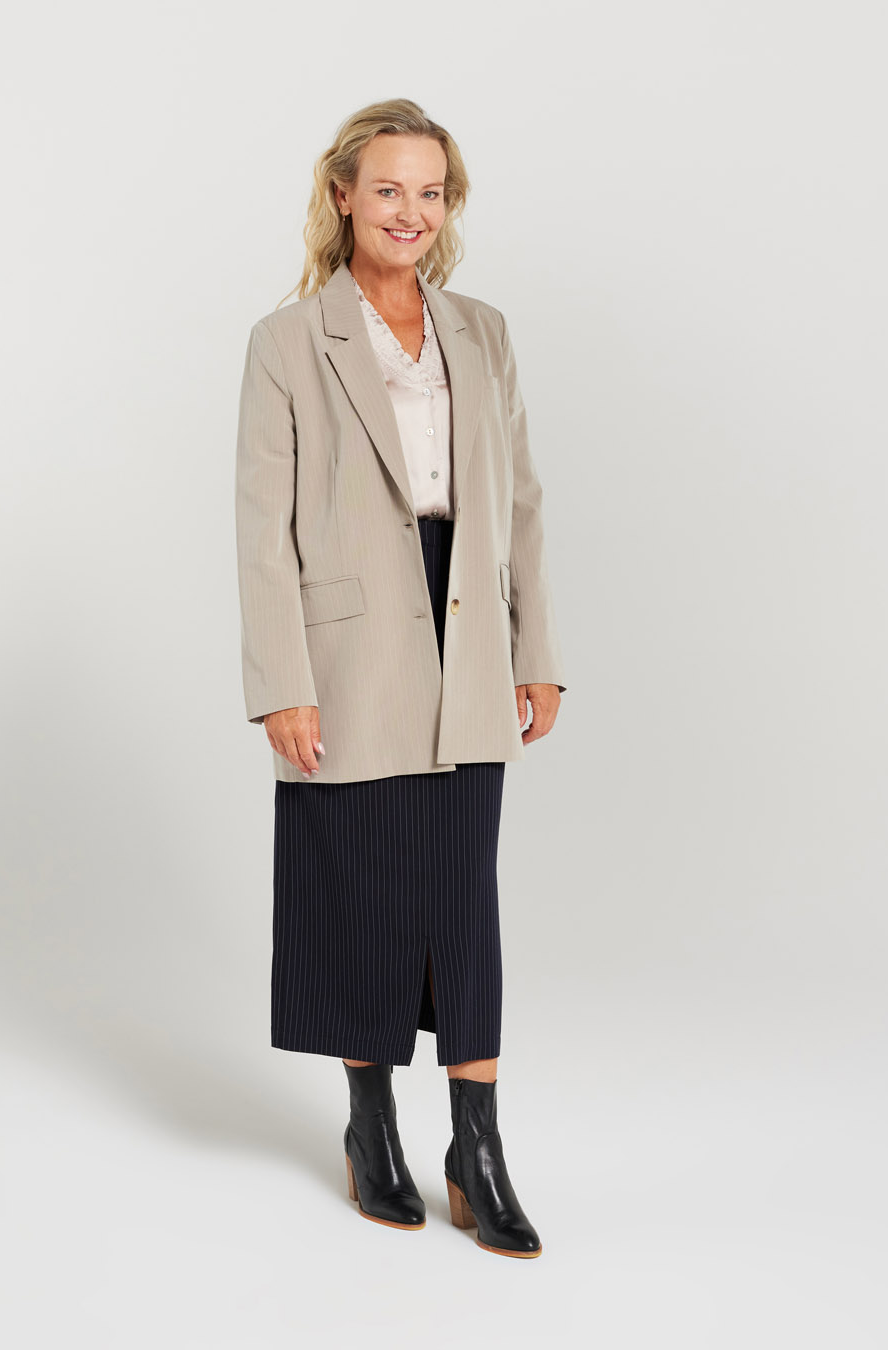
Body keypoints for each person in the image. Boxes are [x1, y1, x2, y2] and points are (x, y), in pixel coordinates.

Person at [234, 99, 566, 1259]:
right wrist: (282, 679)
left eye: (431, 192)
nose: (410, 212)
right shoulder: (288, 341)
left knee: (464, 899)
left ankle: (477, 1150)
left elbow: (520, 501)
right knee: (361, 888)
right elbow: (262, 529)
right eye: (388, 189)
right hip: (348, 640)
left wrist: (537, 651)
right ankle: (370, 1125)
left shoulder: (483, 331)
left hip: (468, 622)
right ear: (343, 197)